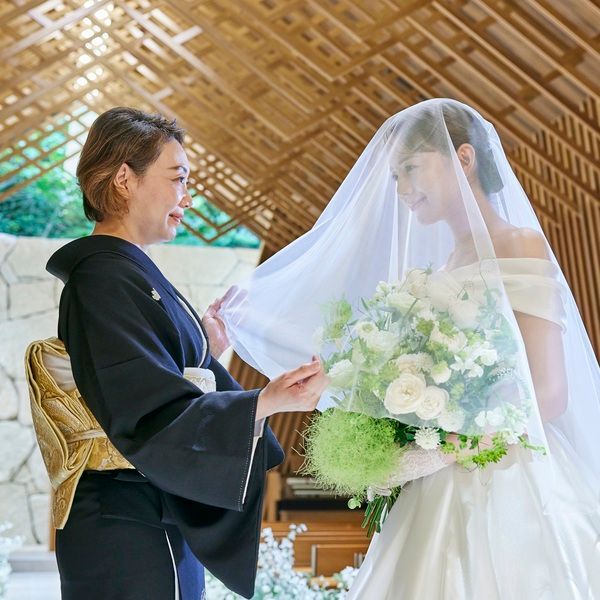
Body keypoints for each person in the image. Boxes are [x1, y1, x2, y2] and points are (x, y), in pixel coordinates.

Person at [219, 99, 600, 598]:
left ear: (464, 159)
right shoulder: (442, 267)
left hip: (510, 480)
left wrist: (451, 446)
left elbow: (548, 393)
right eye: (396, 176)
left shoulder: (520, 244)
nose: (402, 190)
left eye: (411, 169)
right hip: (435, 479)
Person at [31, 107, 328, 600]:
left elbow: (153, 375)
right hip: (126, 519)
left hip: (148, 508)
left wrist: (206, 345)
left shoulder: (127, 272)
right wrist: (264, 402)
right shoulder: (102, 277)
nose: (187, 197)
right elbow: (142, 405)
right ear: (124, 179)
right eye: (177, 179)